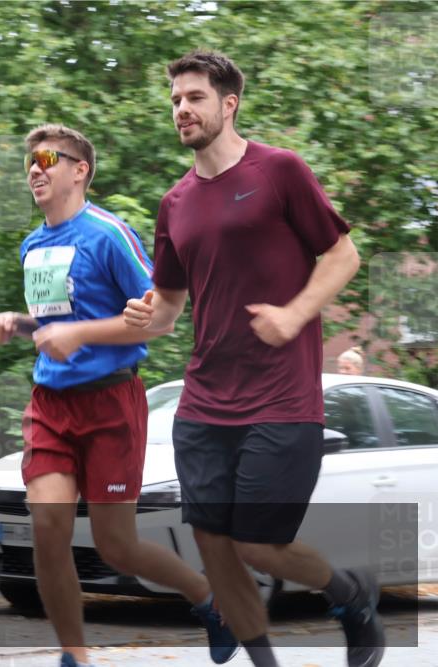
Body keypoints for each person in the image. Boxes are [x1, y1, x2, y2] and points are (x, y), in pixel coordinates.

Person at [124, 51, 379, 667]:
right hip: (204, 403)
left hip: (282, 398)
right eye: (176, 100)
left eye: (195, 97)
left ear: (229, 103)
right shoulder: (175, 202)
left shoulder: (279, 170)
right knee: (214, 547)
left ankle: (349, 594)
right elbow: (169, 308)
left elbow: (343, 255)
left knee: (258, 544)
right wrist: (143, 317)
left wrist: (294, 314)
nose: (182, 109)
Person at [0, 124, 238, 667]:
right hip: (51, 404)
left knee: (116, 546)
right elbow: (57, 325)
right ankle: (74, 656)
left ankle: (209, 599)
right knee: (47, 529)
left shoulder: (108, 235)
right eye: (30, 161)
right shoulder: (32, 246)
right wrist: (20, 323)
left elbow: (158, 320)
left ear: (79, 170)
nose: (34, 169)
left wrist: (78, 334)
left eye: (47, 159)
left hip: (111, 403)